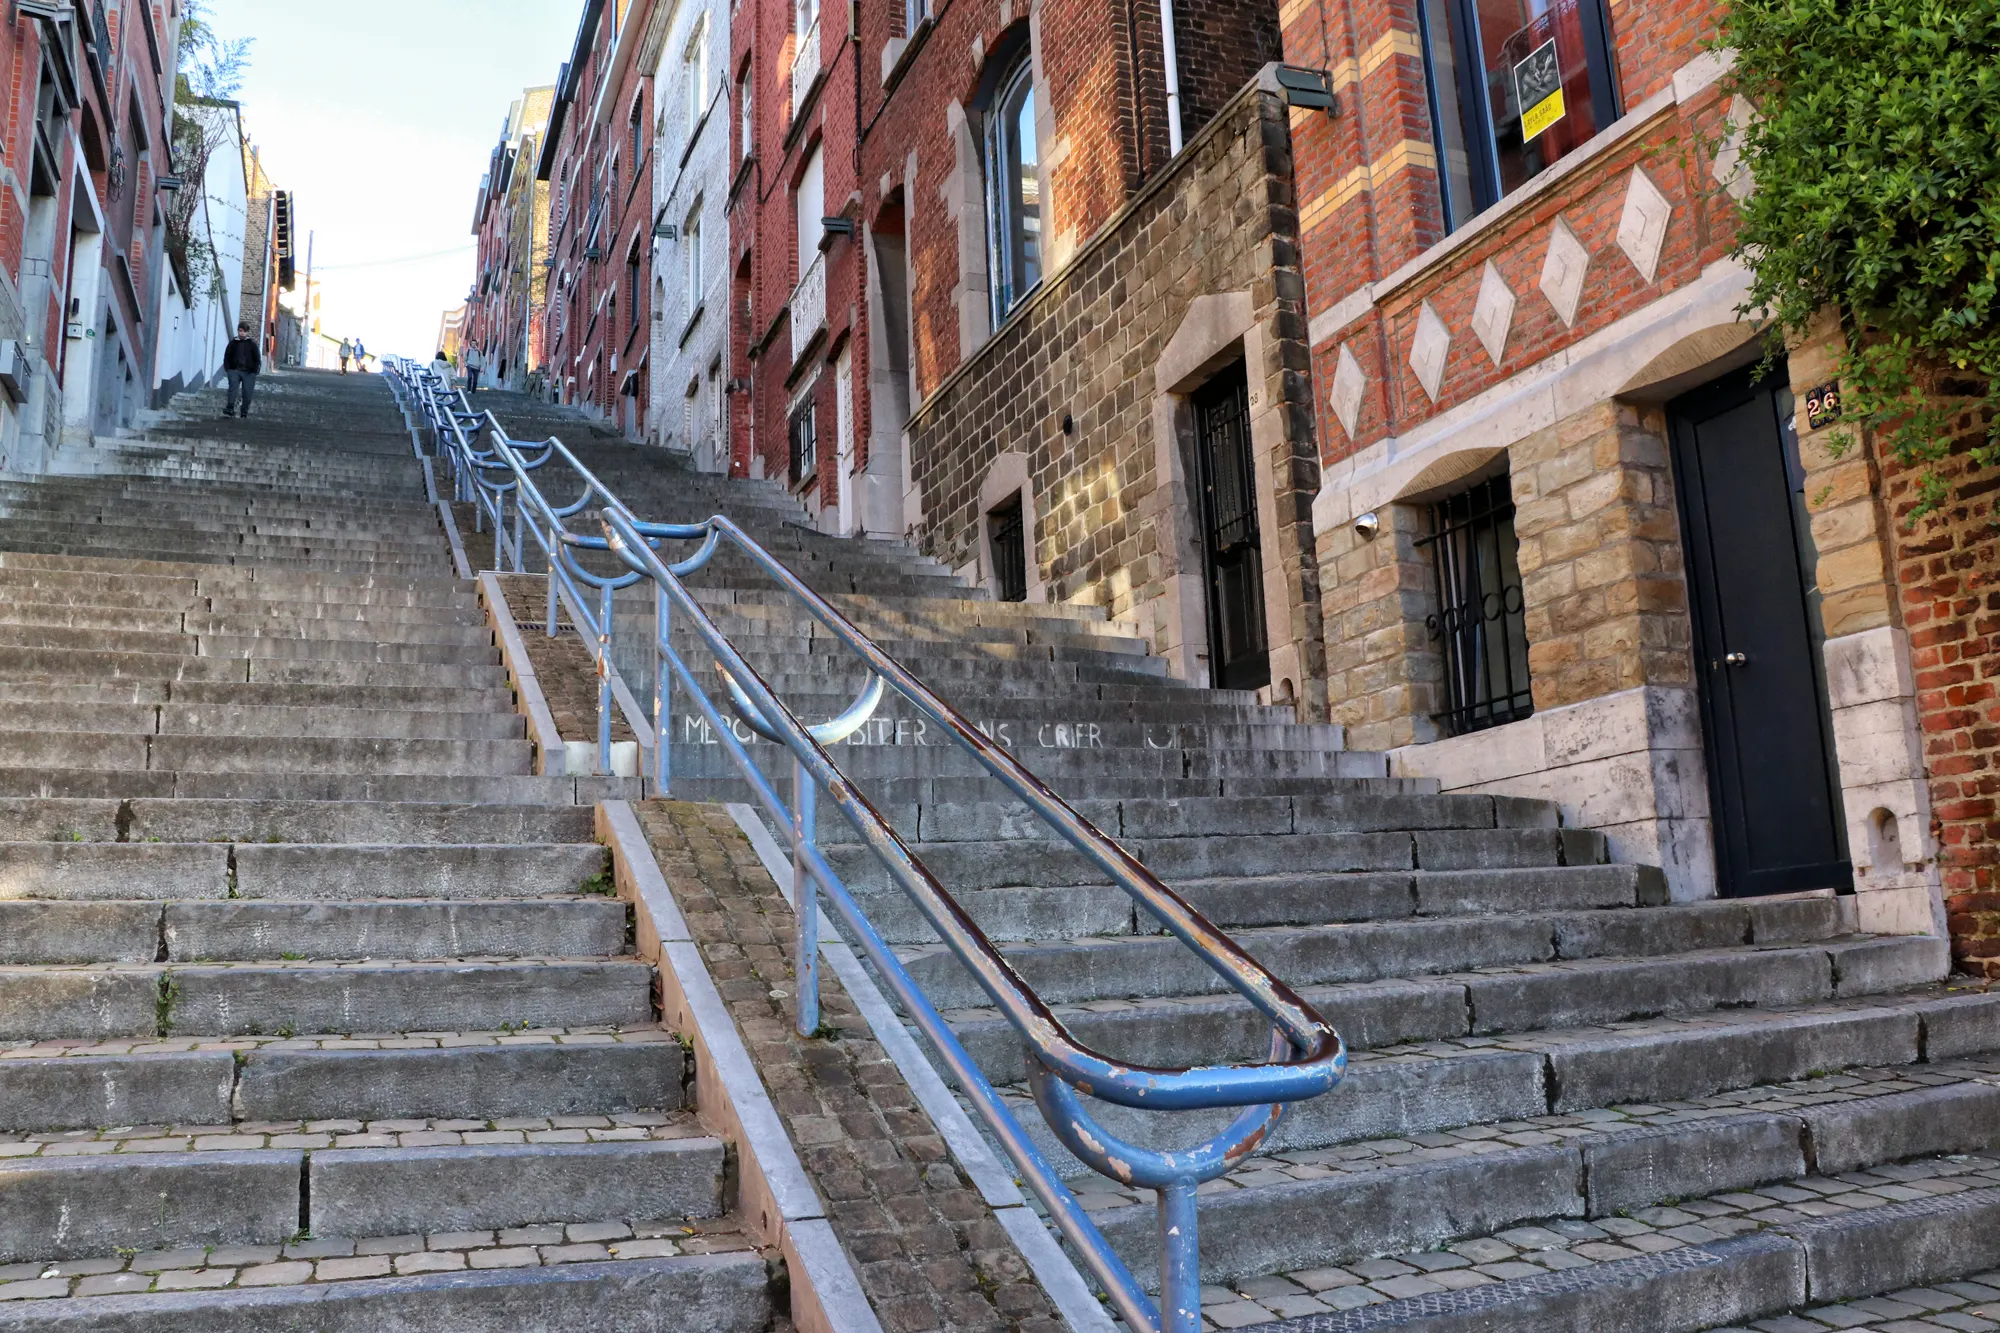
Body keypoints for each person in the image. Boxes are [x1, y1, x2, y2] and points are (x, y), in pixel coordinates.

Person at [222, 323, 260, 418]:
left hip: (248, 372)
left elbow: (257, 358)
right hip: (234, 370)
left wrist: (254, 371)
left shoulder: (252, 344)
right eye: (240, 331)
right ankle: (230, 407)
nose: (242, 333)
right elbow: (227, 356)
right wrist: (228, 369)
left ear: (247, 332)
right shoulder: (233, 343)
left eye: (244, 331)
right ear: (238, 331)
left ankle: (244, 411)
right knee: (232, 389)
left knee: (247, 392)